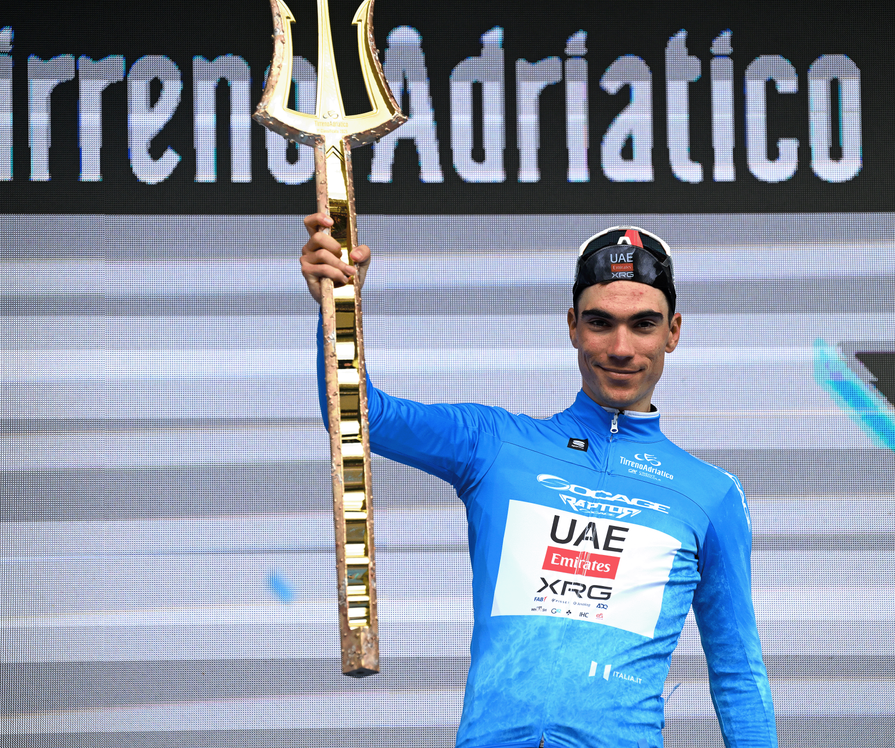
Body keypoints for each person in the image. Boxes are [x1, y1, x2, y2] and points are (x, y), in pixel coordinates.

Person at [301, 215, 778, 748]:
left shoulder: (710, 494)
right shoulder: (495, 444)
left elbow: (737, 674)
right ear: (573, 325)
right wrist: (338, 304)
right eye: (600, 323)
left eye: (644, 324)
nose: (621, 347)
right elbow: (359, 414)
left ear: (674, 332)